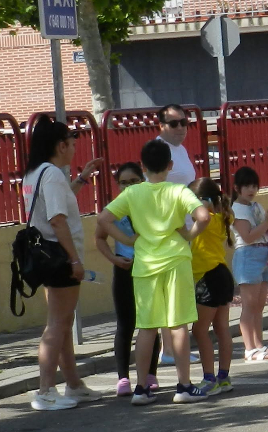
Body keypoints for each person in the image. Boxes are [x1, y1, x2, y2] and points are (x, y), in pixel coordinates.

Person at [97, 140, 211, 405]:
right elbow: (204, 216)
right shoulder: (178, 191)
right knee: (178, 324)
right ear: (170, 165)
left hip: (145, 264)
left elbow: (103, 219)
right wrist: (188, 236)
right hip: (175, 260)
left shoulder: (133, 193)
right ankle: (184, 386)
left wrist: (127, 240)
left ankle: (141, 389)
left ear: (143, 166)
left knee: (146, 327)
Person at [22, 117, 103, 411]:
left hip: (46, 256)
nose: (74, 148)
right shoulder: (52, 174)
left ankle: (74, 384)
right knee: (57, 324)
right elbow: (57, 220)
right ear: (60, 146)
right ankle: (45, 390)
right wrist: (75, 259)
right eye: (71, 143)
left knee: (64, 322)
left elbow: (55, 206)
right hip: (59, 256)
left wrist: (81, 180)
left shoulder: (36, 173)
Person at [94, 162, 145, 398]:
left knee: (149, 324)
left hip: (148, 269)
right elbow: (99, 238)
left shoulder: (150, 205)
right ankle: (123, 378)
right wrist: (114, 259)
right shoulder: (113, 210)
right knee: (126, 324)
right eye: (124, 183)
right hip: (124, 269)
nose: (129, 186)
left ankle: (150, 375)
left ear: (142, 181)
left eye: (134, 181)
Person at [230, 166, 268, 362]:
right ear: (237, 188)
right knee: (249, 305)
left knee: (259, 305)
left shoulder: (256, 206)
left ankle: (259, 345)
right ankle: (249, 349)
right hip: (248, 255)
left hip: (264, 253)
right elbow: (247, 236)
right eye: (247, 186)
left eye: (254, 186)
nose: (251, 190)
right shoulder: (237, 209)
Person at [188, 176, 235, 396]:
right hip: (221, 275)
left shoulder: (208, 220)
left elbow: (201, 217)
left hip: (211, 277)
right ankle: (223, 377)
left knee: (199, 330)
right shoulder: (222, 217)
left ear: (204, 201)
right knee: (221, 328)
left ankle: (210, 379)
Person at [154, 105, 198, 185]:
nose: (180, 128)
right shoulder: (156, 151)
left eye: (183, 122)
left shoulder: (181, 148)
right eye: (173, 124)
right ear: (162, 126)